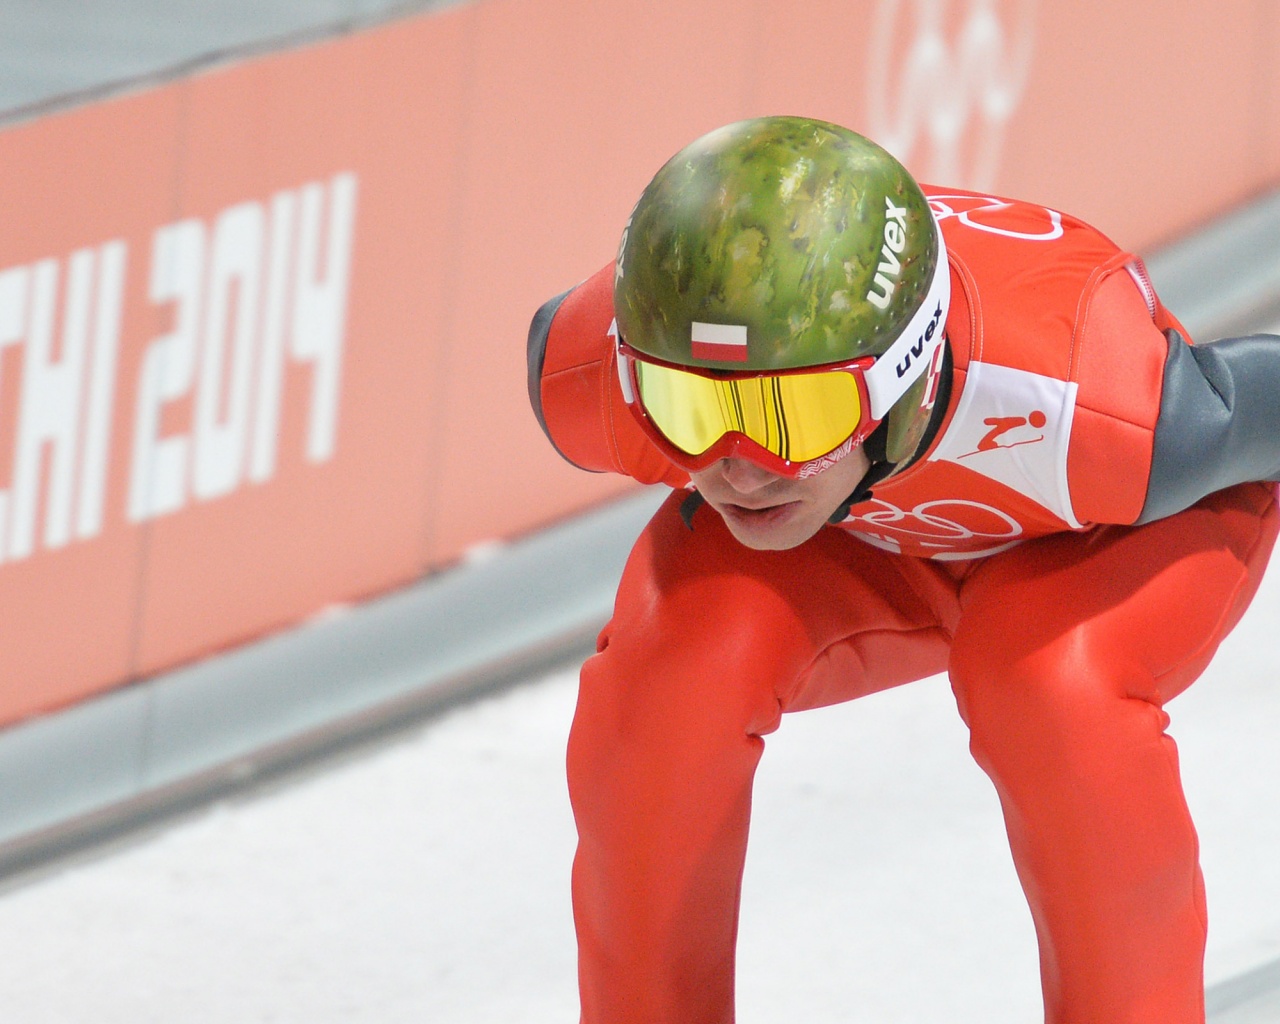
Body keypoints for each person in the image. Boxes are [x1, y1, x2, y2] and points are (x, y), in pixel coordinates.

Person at [525, 115, 1280, 1024]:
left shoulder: (1096, 409)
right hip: (861, 528)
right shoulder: (594, 384)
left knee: (1045, 682)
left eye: (794, 414)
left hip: (1098, 534)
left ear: (908, 372)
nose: (743, 465)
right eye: (688, 408)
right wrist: (792, 433)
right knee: (672, 672)